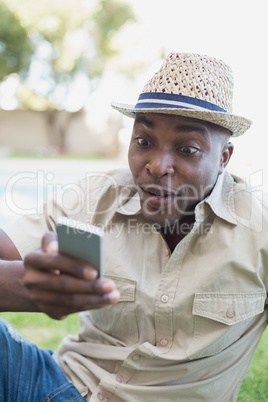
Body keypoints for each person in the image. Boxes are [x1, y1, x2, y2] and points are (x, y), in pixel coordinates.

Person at [0, 52, 266, 402]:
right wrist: (22, 284)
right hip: (58, 387)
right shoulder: (96, 198)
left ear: (223, 158)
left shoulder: (258, 230)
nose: (157, 166)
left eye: (187, 149)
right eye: (144, 141)